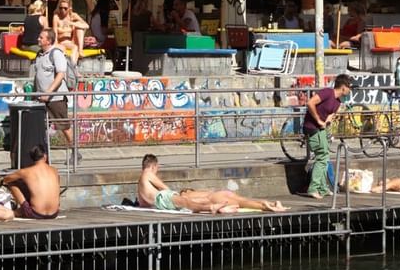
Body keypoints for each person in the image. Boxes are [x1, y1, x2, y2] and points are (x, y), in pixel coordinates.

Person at [137, 154, 284, 213]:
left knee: (188, 203)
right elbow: (164, 188)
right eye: (157, 168)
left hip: (158, 202)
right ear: (153, 166)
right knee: (187, 202)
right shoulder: (148, 173)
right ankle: (212, 207)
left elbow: (144, 204)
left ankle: (213, 207)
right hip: (163, 197)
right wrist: (172, 193)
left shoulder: (140, 186)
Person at [301, 73, 352, 197]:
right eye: (350, 87)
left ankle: (323, 188)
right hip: (312, 128)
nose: (351, 90)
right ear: (343, 87)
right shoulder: (327, 93)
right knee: (322, 157)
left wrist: (328, 122)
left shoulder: (338, 102)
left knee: (325, 157)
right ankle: (313, 188)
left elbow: (330, 116)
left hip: (321, 129)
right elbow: (310, 103)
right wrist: (318, 120)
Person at [2, 145, 62, 220]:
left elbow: (6, 179)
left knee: (11, 183)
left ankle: (20, 210)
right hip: (54, 213)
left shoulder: (25, 172)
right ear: (45, 156)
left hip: (35, 213)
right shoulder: (54, 170)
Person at [31, 26, 74, 119]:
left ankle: (73, 135)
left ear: (49, 41)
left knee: (64, 126)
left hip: (56, 98)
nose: (38, 39)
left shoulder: (56, 54)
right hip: (40, 98)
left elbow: (61, 74)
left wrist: (48, 93)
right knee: (40, 125)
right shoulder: (39, 54)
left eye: (41, 38)